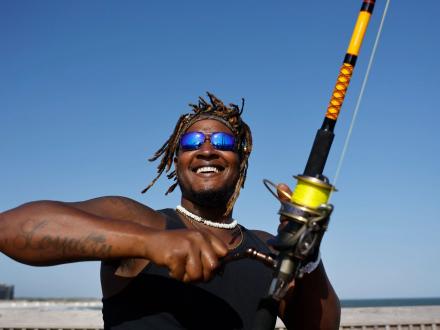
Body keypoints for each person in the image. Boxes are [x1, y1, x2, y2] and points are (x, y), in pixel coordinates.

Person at [0, 93, 340, 329]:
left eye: (222, 143)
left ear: (241, 162)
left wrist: (306, 251)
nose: (207, 150)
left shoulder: (266, 248)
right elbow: (12, 227)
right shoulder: (140, 220)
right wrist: (150, 243)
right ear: (175, 161)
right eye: (192, 143)